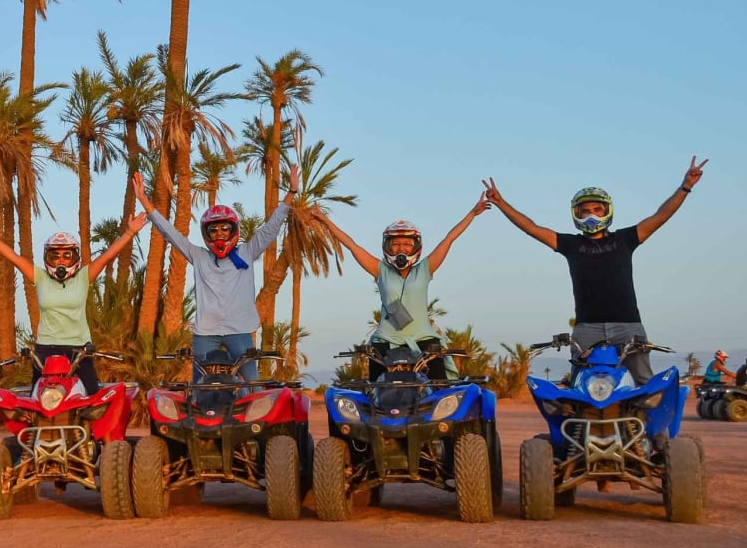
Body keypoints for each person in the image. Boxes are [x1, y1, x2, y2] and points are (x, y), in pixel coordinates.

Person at [483, 157, 707, 385]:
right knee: (580, 386)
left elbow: (661, 216)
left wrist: (685, 186)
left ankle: (648, 421)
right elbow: (531, 228)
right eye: (586, 211)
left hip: (627, 325)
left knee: (644, 385)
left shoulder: (625, 239)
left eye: (597, 210)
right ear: (576, 214)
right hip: (586, 328)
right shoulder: (570, 244)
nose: (592, 215)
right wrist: (502, 203)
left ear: (607, 212)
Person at [132, 168, 298, 382]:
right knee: (197, 387)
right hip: (206, 332)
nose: (219, 234)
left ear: (233, 231)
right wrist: (145, 201)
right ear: (206, 233)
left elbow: (271, 228)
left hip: (240, 330)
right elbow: (170, 234)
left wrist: (292, 192)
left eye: (224, 229)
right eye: (214, 230)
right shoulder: (199, 256)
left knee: (252, 384)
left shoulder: (247, 252)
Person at [310, 195, 489, 382]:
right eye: (395, 244)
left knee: (440, 388)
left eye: (406, 244)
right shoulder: (380, 270)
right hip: (386, 339)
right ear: (387, 246)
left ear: (415, 246)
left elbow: (449, 239)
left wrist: (473, 213)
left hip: (423, 337)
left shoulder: (424, 269)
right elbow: (352, 245)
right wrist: (325, 220)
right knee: (376, 390)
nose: (400, 249)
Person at [0, 210, 147, 394]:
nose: (61, 260)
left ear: (74, 257)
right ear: (48, 257)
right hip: (46, 349)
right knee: (37, 399)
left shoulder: (83, 277)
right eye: (55, 256)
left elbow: (108, 256)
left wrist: (130, 232)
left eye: (66, 255)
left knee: (92, 398)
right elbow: (14, 258)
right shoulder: (40, 277)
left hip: (79, 349)